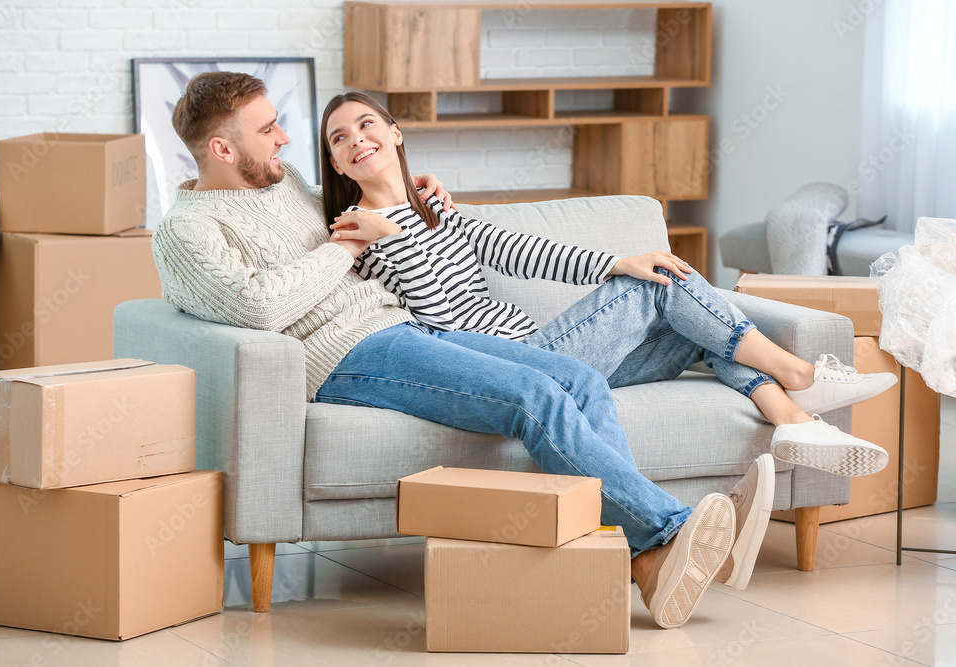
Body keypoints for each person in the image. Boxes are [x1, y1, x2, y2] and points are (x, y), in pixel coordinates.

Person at [152, 70, 771, 630]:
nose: (284, 138)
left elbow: (362, 197)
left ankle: (635, 562)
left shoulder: (284, 184)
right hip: (346, 353)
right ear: (223, 149)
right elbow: (258, 306)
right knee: (532, 397)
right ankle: (667, 532)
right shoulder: (188, 230)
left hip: (405, 330)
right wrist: (343, 251)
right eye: (267, 129)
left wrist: (414, 196)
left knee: (577, 382)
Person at [319, 91, 897, 481]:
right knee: (663, 285)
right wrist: (388, 233)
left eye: (366, 124)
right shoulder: (357, 233)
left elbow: (527, 251)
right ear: (338, 165)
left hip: (550, 347)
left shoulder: (443, 211)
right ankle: (799, 376)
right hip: (514, 365)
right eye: (339, 139)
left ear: (395, 134)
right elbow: (434, 317)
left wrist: (617, 261)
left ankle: (791, 419)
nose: (356, 140)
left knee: (692, 321)